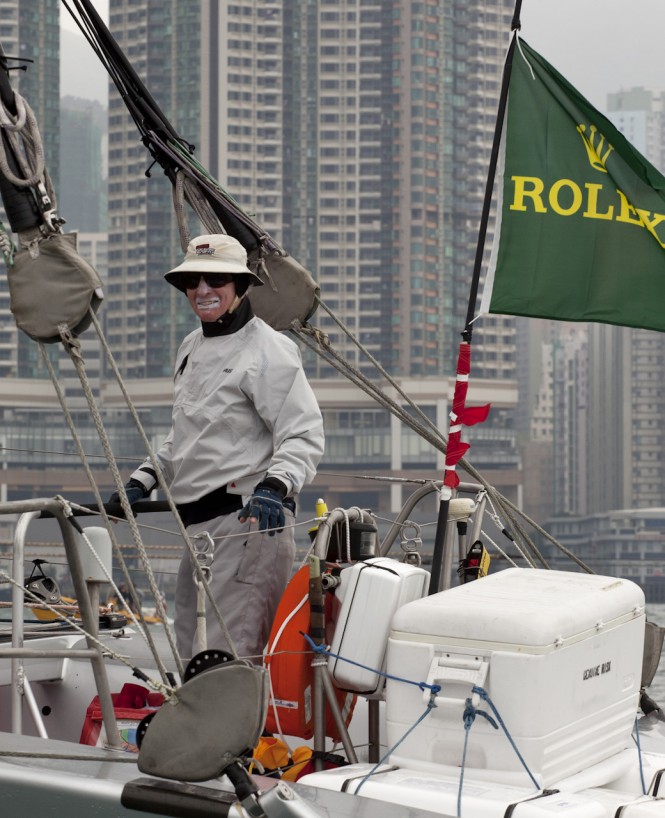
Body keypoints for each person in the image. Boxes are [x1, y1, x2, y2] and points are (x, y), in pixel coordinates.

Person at [109, 233, 324, 663]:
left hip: (247, 522)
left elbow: (303, 433)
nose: (203, 290)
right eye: (193, 281)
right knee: (190, 649)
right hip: (197, 528)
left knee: (228, 655)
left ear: (241, 287)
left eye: (216, 279)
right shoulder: (191, 346)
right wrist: (141, 480)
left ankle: (241, 733)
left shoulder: (270, 348)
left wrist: (274, 486)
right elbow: (186, 433)